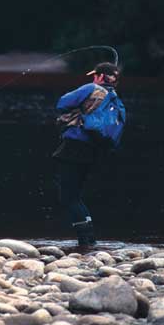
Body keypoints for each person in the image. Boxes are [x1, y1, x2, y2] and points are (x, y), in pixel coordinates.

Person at [53, 62, 123, 246]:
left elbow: (62, 103)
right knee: (74, 195)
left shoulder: (92, 88)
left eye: (95, 75)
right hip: (94, 150)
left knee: (68, 196)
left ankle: (86, 240)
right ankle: (88, 240)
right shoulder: (115, 98)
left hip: (75, 147)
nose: (93, 78)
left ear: (100, 77)